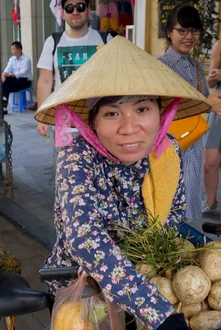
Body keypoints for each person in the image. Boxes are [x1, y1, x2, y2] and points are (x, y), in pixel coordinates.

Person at [34, 36, 210, 330]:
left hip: (151, 281)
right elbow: (85, 238)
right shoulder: (77, 158)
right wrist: (159, 313)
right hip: (86, 292)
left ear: (161, 113)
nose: (129, 128)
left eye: (142, 109)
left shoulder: (166, 151)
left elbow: (176, 214)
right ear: (93, 122)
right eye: (112, 113)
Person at [158, 4, 221, 221]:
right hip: (168, 147)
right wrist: (206, 102)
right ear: (169, 32)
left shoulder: (195, 66)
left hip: (192, 145)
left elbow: (204, 100)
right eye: (182, 30)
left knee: (189, 209)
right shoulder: (160, 66)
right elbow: (160, 110)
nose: (189, 36)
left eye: (194, 31)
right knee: (168, 208)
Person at [36, 0, 112, 136]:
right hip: (65, 125)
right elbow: (45, 81)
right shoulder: (53, 42)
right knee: (64, 158)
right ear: (63, 13)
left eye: (80, 7)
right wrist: (42, 117)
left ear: (88, 10)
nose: (75, 12)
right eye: (69, 8)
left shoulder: (106, 40)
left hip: (99, 123)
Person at [203, 39, 221, 214]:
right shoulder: (219, 45)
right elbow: (210, 83)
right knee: (209, 162)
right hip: (219, 109)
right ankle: (210, 202)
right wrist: (213, 78)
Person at [2, 41, 33, 115]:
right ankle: (4, 105)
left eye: (13, 49)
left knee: (6, 85)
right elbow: (7, 69)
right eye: (11, 49)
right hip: (15, 79)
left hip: (25, 80)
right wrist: (4, 74)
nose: (12, 51)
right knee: (6, 81)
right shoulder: (12, 59)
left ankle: (3, 102)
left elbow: (23, 72)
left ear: (19, 50)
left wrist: (12, 75)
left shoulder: (26, 59)